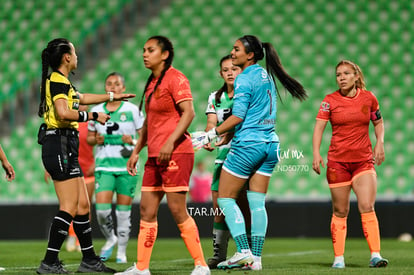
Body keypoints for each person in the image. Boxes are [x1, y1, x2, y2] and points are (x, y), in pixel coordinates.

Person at [192, 35, 307, 270]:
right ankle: (256, 259)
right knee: (257, 203)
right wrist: (227, 135)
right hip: (270, 144)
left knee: (224, 198)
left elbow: (238, 116)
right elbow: (252, 116)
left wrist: (210, 135)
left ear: (250, 55)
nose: (232, 53)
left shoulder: (244, 78)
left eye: (236, 50)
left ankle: (243, 251)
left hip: (249, 146)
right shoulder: (266, 76)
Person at [37, 37, 135, 274]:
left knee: (82, 206)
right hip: (58, 142)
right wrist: (92, 117)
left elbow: (83, 98)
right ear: (67, 57)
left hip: (65, 143)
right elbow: (63, 113)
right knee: (70, 206)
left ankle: (89, 260)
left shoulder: (64, 82)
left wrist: (112, 98)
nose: (78, 56)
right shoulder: (57, 81)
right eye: (75, 52)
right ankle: (49, 262)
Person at [115, 35, 210, 275]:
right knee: (147, 210)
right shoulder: (151, 83)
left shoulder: (176, 78)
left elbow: (189, 113)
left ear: (165, 54)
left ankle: (201, 265)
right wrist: (137, 151)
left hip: (177, 152)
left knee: (178, 210)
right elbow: (149, 123)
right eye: (144, 50)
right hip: (155, 156)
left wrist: (169, 142)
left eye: (151, 50)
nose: (145, 54)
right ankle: (141, 267)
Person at [312, 60, 387, 269]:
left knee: (366, 206)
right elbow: (319, 127)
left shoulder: (369, 98)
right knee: (340, 210)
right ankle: (339, 259)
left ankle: (375, 255)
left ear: (356, 76)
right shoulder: (329, 101)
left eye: (346, 73)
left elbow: (378, 123)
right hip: (338, 164)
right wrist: (316, 153)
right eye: (338, 74)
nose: (341, 77)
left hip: (363, 161)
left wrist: (380, 142)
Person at [87, 72, 144, 264]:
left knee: (123, 211)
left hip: (127, 166)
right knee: (102, 210)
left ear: (123, 88)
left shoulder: (132, 109)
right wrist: (95, 139)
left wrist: (133, 140)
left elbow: (144, 138)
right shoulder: (96, 110)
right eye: (109, 83)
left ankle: (121, 251)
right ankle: (111, 237)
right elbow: (89, 138)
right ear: (105, 88)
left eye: (117, 84)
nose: (113, 86)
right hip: (104, 165)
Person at [201, 54, 251, 269]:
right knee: (218, 206)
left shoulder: (248, 93)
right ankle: (218, 254)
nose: (230, 72)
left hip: (246, 155)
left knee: (243, 205)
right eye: (226, 70)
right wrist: (208, 138)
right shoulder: (215, 97)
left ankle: (249, 252)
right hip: (223, 157)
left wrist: (220, 133)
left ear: (241, 70)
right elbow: (211, 123)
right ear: (220, 73)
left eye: (234, 68)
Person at [44, 104, 96, 253]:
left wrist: (96, 162)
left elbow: (101, 143)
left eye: (85, 104)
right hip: (67, 167)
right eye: (80, 104)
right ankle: (71, 238)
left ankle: (81, 243)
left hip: (87, 169)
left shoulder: (91, 124)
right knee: (70, 206)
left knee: (85, 207)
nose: (82, 106)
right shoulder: (68, 121)